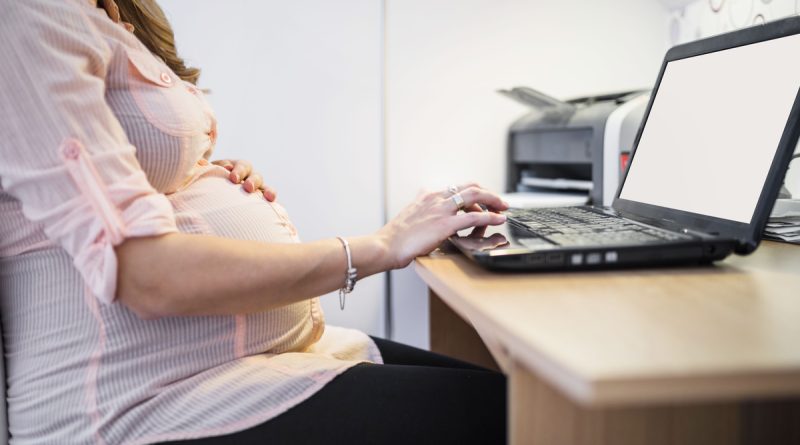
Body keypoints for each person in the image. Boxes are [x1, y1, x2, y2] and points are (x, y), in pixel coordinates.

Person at [0, 0, 508, 443]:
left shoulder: (108, 11)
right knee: (510, 418)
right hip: (138, 405)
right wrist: (380, 245)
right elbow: (147, 274)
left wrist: (195, 175)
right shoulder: (27, 14)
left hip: (249, 364)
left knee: (514, 400)